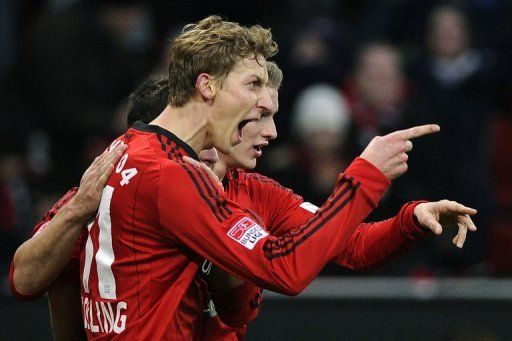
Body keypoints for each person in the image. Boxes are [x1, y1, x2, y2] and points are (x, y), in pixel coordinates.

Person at [12, 58, 477, 341]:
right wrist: (77, 209)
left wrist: (411, 218)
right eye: (257, 115)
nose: (270, 132)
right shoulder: (118, 183)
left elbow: (347, 244)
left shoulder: (254, 191)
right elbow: (28, 278)